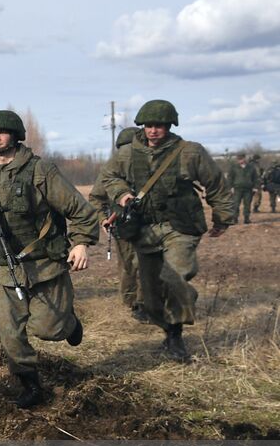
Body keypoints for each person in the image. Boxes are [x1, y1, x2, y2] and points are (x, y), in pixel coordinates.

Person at [0, 110, 97, 408]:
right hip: (4, 269)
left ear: (16, 135)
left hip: (45, 264)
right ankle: (30, 384)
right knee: (10, 335)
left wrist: (81, 243)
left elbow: (79, 211)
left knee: (48, 330)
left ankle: (69, 325)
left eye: (2, 132)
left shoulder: (40, 171)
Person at [96, 100, 235, 360]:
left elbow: (215, 184)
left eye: (159, 126)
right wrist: (122, 192)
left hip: (180, 226)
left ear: (170, 126)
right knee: (150, 296)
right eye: (149, 125)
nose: (153, 131)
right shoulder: (127, 153)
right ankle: (171, 318)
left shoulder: (190, 152)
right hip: (144, 228)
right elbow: (108, 177)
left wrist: (223, 217)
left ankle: (175, 335)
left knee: (174, 276)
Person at [89, 127, 145, 321]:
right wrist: (103, 219)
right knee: (129, 265)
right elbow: (96, 197)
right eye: (125, 148)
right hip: (123, 224)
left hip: (151, 224)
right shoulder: (110, 171)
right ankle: (134, 304)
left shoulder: (152, 167)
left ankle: (147, 302)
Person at [225, 151, 258, 224]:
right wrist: (230, 187)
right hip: (237, 189)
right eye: (238, 159)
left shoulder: (251, 167)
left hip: (248, 189)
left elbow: (255, 178)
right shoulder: (233, 167)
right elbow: (229, 178)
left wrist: (255, 187)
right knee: (235, 205)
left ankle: (247, 219)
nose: (240, 160)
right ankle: (234, 219)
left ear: (244, 158)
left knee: (247, 205)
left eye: (241, 159)